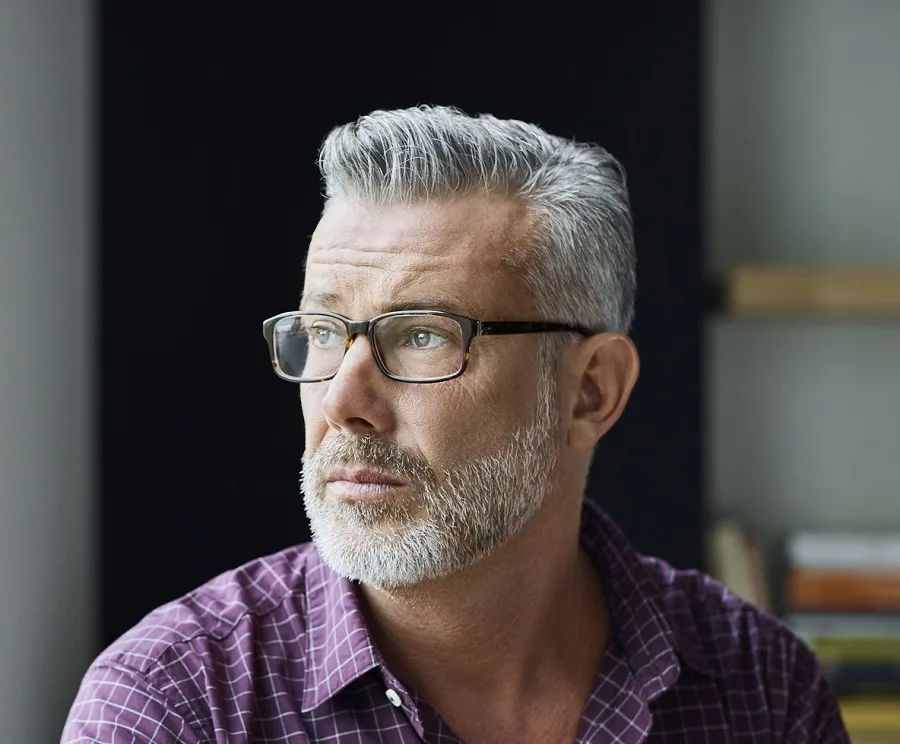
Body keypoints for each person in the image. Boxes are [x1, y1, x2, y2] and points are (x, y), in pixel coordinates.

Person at [62, 106, 850, 743]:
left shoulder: (761, 689)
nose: (342, 401)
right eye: (325, 333)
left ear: (590, 393)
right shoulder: (175, 704)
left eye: (424, 335)